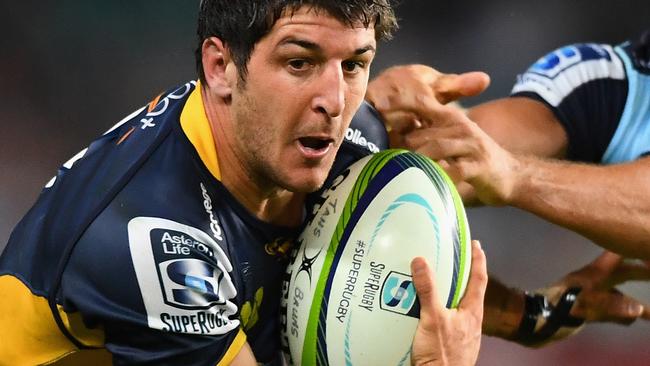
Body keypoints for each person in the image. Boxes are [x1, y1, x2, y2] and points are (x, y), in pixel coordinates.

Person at [0, 1, 489, 365]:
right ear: (221, 68)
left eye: (354, 65)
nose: (336, 102)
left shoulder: (329, 144)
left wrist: (532, 313)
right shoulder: (151, 240)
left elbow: (411, 289)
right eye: (300, 63)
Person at [364, 30, 650, 346]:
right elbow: (460, 164)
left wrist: (515, 175)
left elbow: (500, 167)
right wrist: (382, 129)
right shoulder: (606, 81)